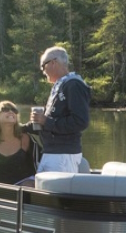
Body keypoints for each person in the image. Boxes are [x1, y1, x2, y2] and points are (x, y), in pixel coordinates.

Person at [29, 45, 90, 174]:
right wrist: (18, 127)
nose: (43, 71)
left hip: (63, 155)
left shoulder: (73, 85)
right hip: (52, 153)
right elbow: (52, 120)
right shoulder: (61, 85)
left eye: (43, 66)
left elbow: (80, 121)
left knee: (55, 188)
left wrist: (46, 121)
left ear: (53, 63)